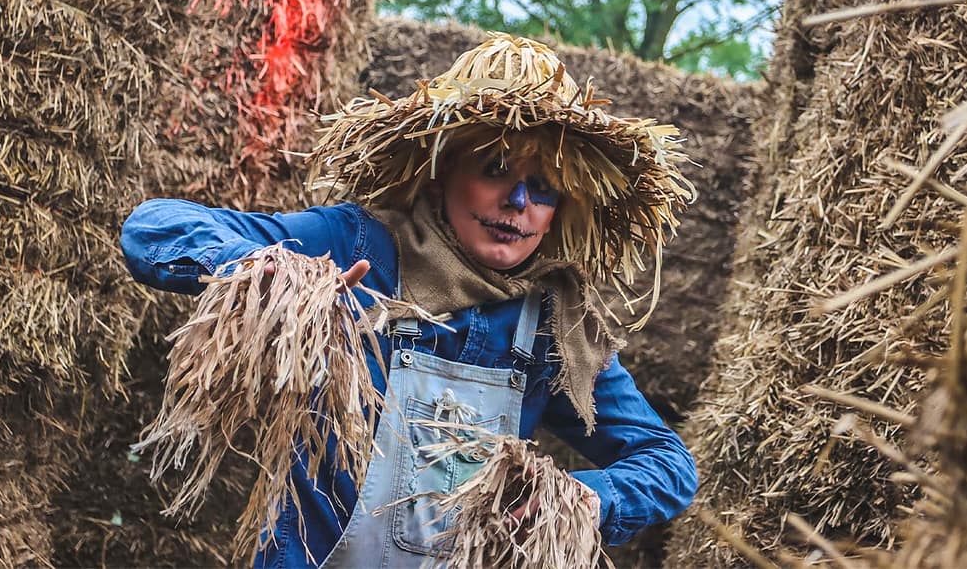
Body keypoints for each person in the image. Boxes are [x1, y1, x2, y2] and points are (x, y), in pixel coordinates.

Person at [121, 33, 698, 568]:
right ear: (440, 171)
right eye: (495, 169)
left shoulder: (553, 325)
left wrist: (588, 497)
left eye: (543, 188)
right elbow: (154, 227)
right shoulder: (356, 245)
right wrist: (259, 273)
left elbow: (669, 465)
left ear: (560, 210)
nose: (518, 200)